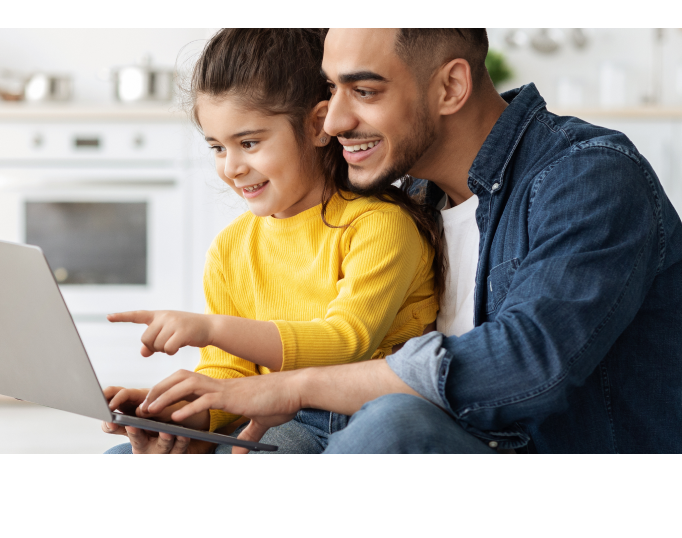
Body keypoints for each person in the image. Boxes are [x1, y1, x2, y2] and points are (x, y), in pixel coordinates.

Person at [138, 28, 682, 454]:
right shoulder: (410, 198)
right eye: (332, 89)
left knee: (391, 421)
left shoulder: (587, 177)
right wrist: (201, 422)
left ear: (451, 86)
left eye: (364, 90)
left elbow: (525, 365)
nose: (331, 121)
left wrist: (294, 388)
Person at [100, 28, 447, 454]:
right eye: (217, 148)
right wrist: (187, 414)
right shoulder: (231, 248)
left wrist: (211, 328)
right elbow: (230, 368)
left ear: (319, 126)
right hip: (261, 410)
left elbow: (345, 342)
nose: (231, 168)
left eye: (248, 143)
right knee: (120, 457)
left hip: (347, 416)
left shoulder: (379, 226)